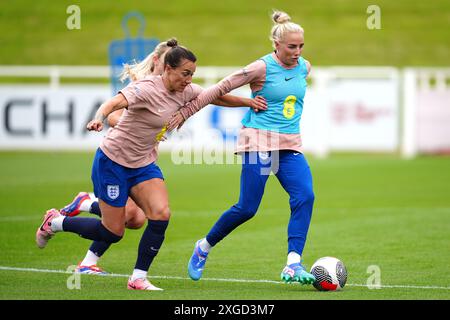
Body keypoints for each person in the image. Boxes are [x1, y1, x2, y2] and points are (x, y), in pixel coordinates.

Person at [35, 38, 267, 291]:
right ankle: (56, 222)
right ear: (168, 69)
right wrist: (98, 118)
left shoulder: (186, 90)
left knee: (160, 214)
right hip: (113, 162)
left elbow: (215, 97)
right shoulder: (145, 88)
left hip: (143, 164)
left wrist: (249, 102)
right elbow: (112, 104)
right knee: (113, 231)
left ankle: (138, 278)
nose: (189, 79)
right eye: (185, 73)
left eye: (192, 74)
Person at [167, 11, 316, 285]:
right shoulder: (260, 68)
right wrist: (187, 111)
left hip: (290, 144)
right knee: (248, 208)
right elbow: (219, 88)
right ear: (276, 45)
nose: (297, 52)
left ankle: (293, 263)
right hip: (260, 141)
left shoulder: (304, 67)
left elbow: (295, 83)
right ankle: (204, 246)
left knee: (305, 196)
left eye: (301, 46)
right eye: (291, 47)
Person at [58, 41, 172, 275]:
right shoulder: (142, 86)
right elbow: (113, 116)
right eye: (167, 62)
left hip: (143, 160)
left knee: (136, 219)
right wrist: (140, 128)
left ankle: (87, 207)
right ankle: (81, 246)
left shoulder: (172, 88)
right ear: (158, 61)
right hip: (121, 159)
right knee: (122, 219)